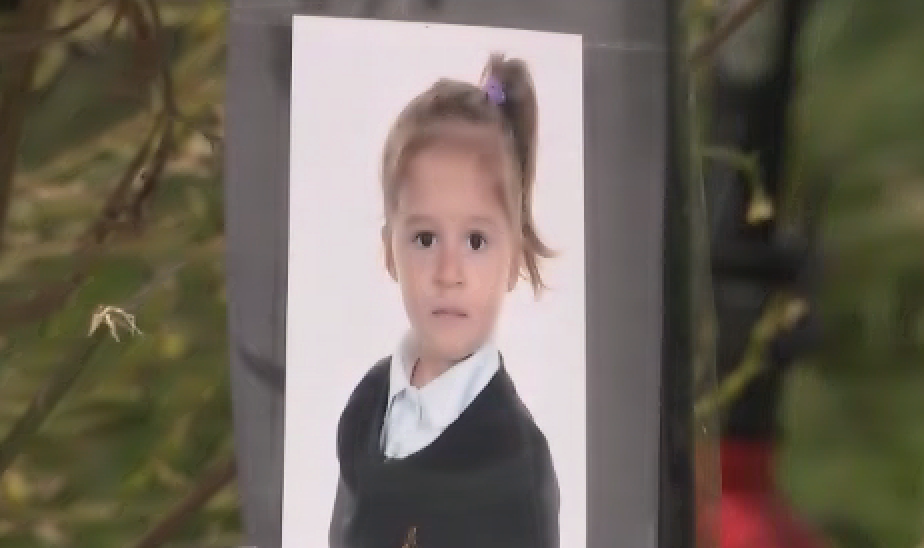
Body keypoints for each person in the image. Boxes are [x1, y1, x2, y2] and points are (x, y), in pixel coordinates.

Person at [328, 53, 561, 548]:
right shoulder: (366, 406)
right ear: (390, 250)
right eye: (426, 238)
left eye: (476, 241)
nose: (448, 273)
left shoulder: (516, 463)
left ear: (513, 257)